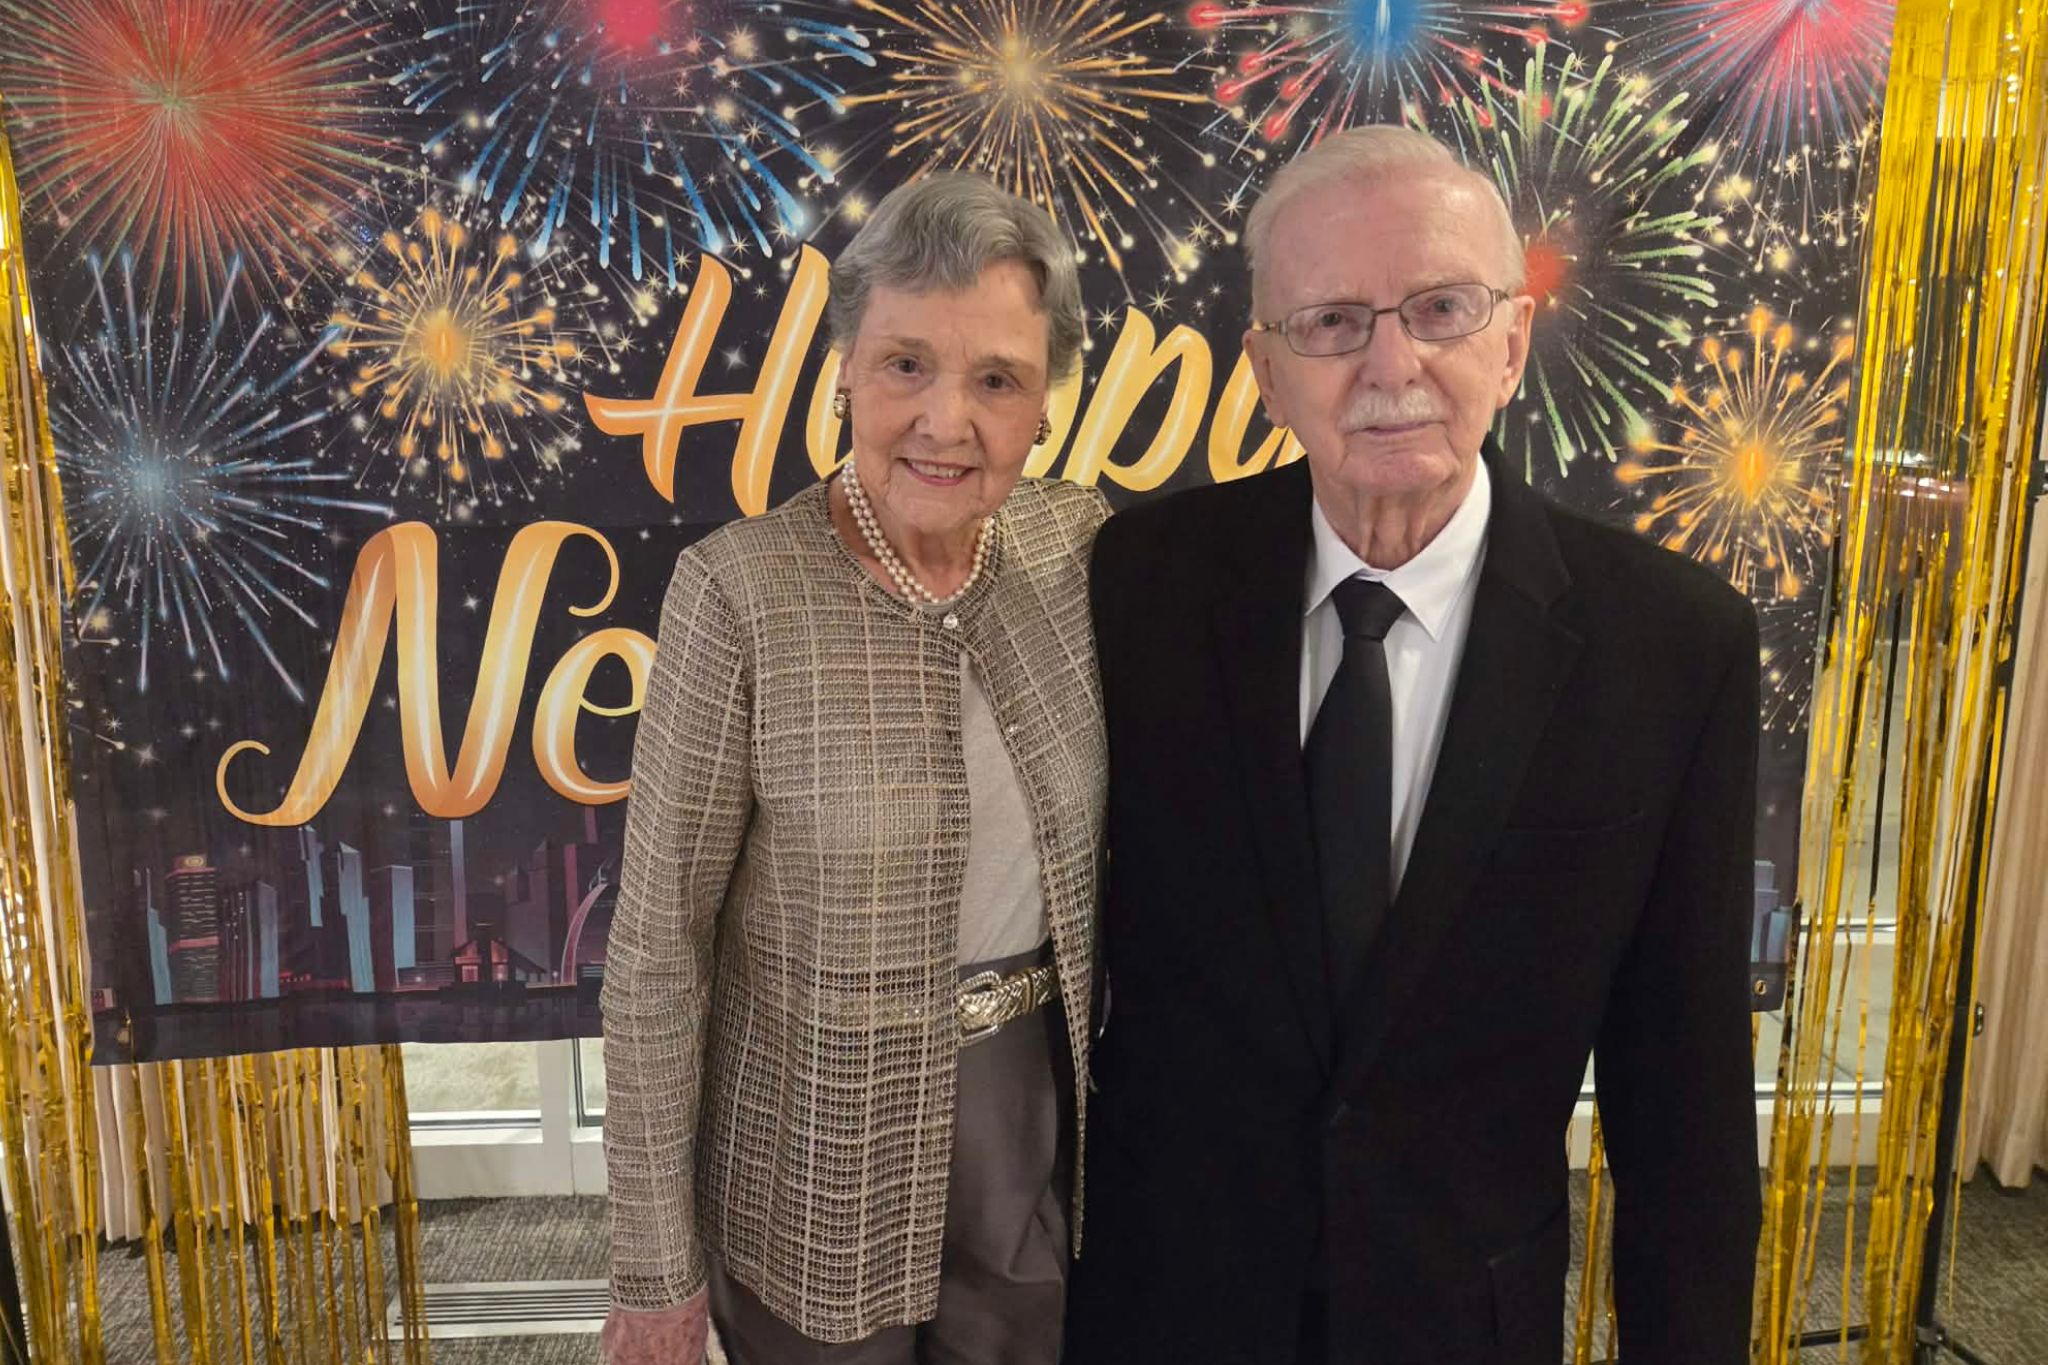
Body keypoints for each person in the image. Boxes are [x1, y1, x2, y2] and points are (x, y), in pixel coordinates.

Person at [1063, 125, 1762, 1365]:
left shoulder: (1671, 647)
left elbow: (1684, 1103)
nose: (1391, 364)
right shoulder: (1142, 585)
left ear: (1511, 339)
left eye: (1439, 307)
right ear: (1265, 374)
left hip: (1462, 1320)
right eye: (1330, 321)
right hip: (1167, 1303)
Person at [600, 172, 1107, 1365]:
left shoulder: (1082, 547)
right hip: (807, 1144)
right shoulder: (738, 593)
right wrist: (654, 1269)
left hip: (1033, 1125)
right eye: (904, 366)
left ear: (1044, 404)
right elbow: (658, 946)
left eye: (996, 380)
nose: (946, 421)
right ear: (841, 367)